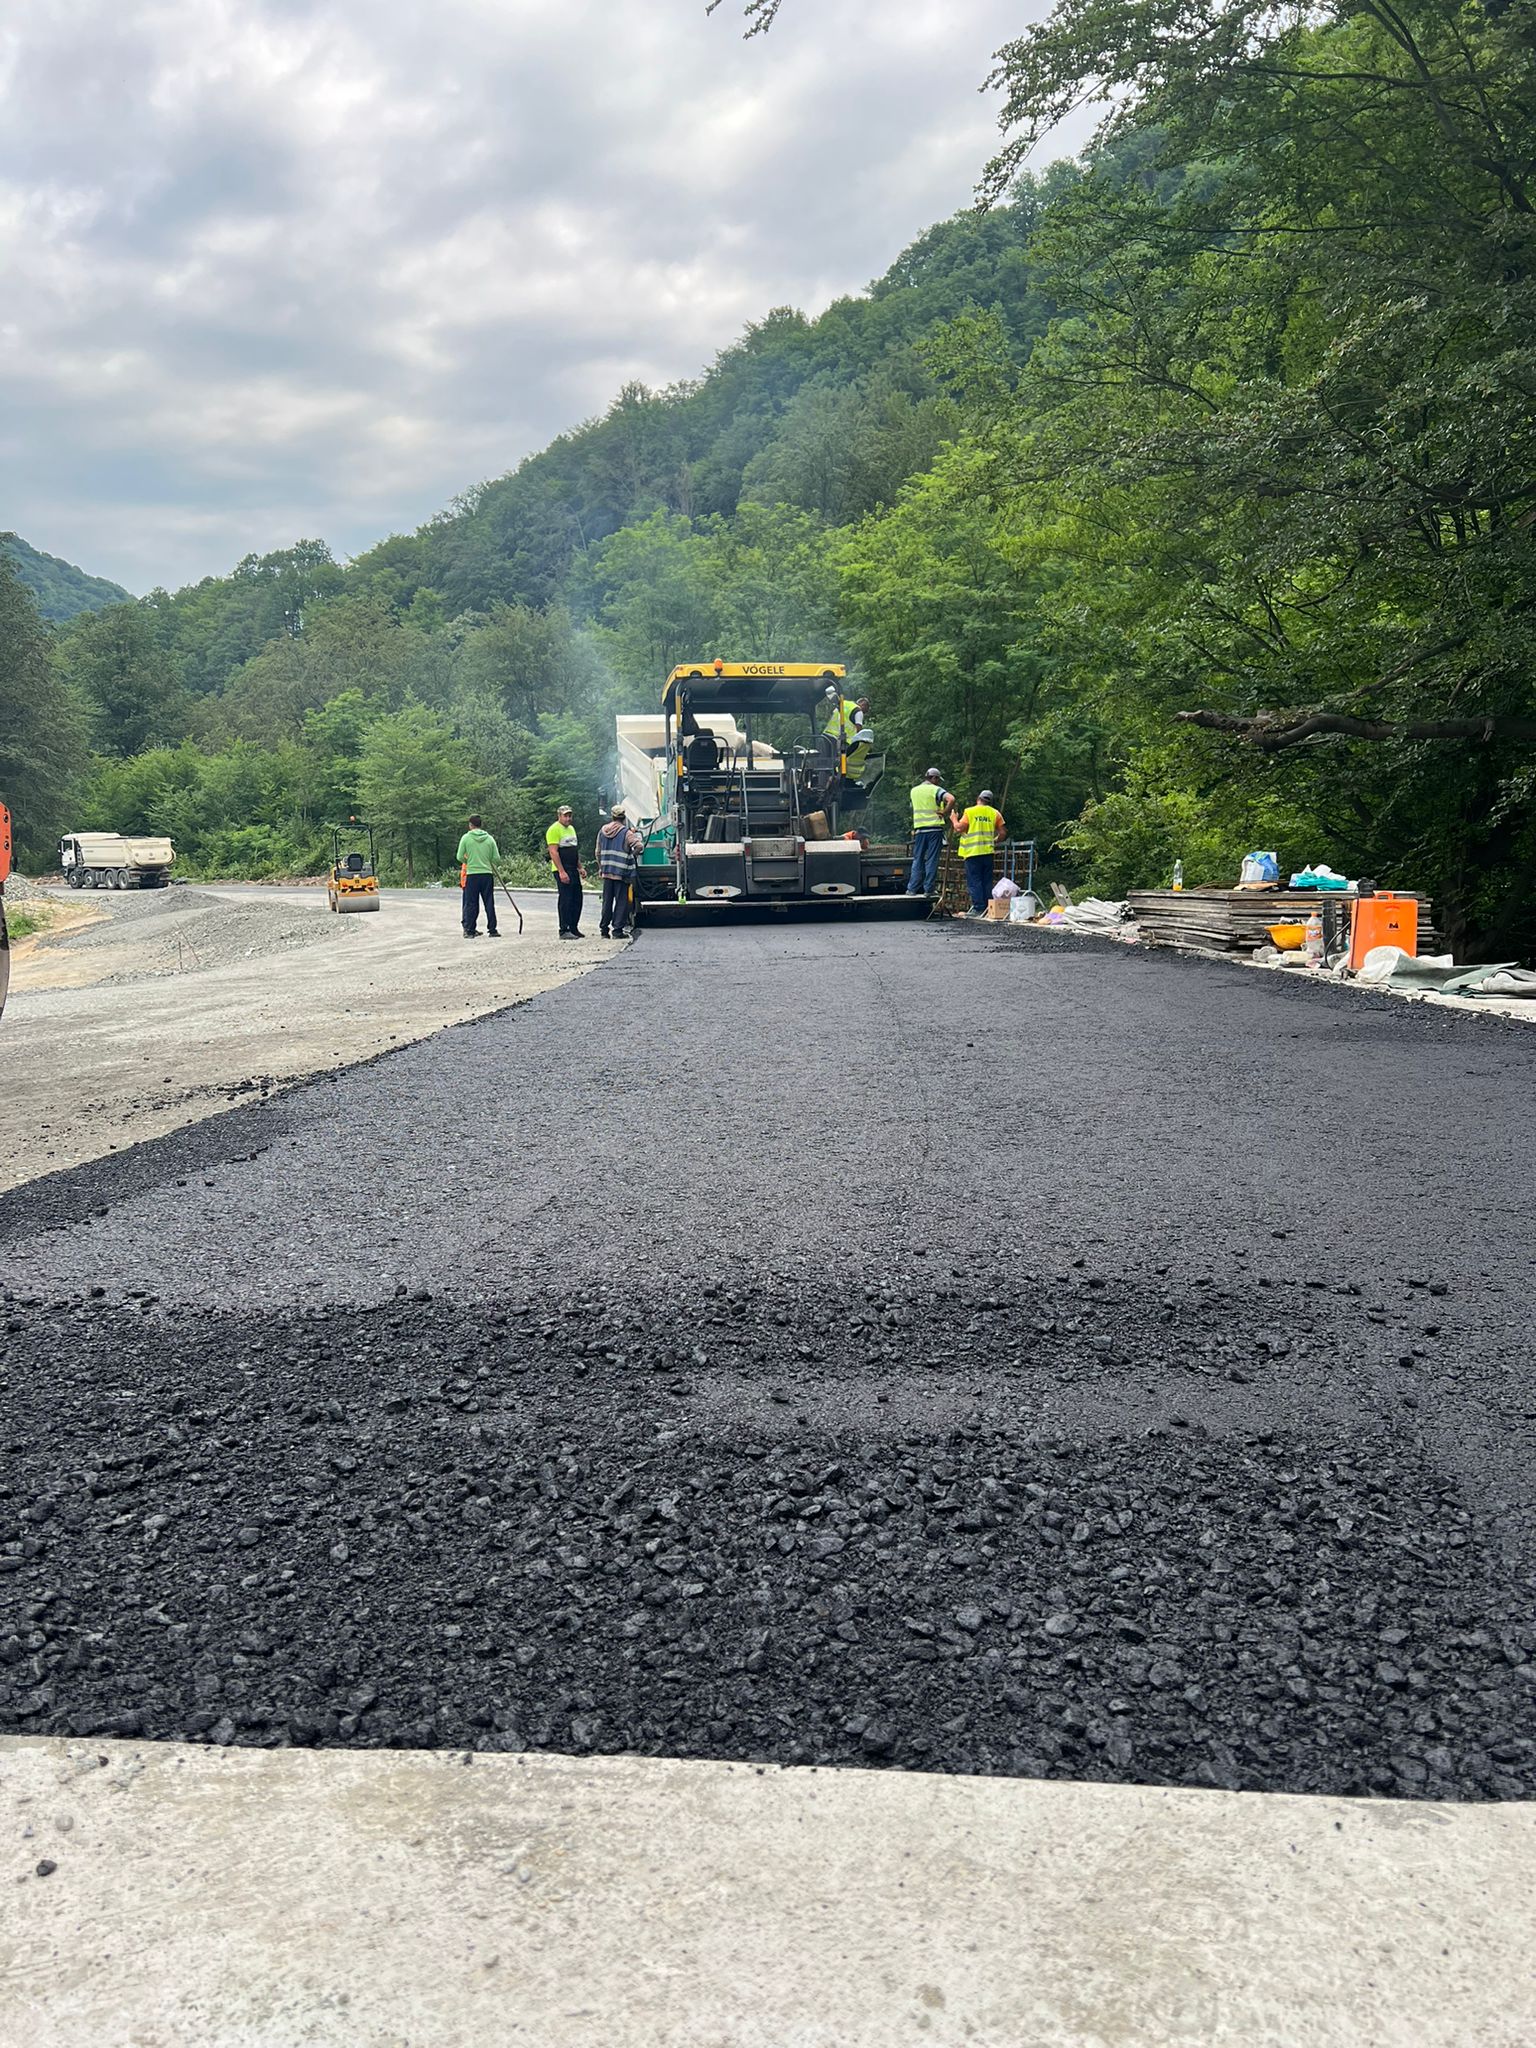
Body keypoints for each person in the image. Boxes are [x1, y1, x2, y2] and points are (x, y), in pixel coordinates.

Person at [951, 788, 1006, 918]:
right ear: (990, 801)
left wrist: (954, 819)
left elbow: (959, 828)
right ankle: (988, 908)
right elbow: (1003, 832)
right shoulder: (995, 813)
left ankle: (978, 909)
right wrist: (995, 841)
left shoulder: (970, 811)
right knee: (986, 881)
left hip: (973, 852)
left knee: (974, 881)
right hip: (987, 852)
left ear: (978, 799)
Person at [596, 806, 643, 939]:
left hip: (607, 872)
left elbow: (597, 852)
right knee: (621, 901)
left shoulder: (603, 831)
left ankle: (604, 930)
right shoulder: (626, 832)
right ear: (624, 817)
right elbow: (639, 846)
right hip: (621, 872)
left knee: (607, 901)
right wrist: (631, 855)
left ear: (612, 816)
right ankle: (617, 931)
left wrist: (601, 867)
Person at [906, 767, 951, 896]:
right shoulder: (935, 790)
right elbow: (951, 799)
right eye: (938, 780)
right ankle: (928, 889)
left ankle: (912, 889)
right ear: (934, 778)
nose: (938, 782)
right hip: (934, 830)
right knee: (931, 859)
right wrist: (945, 811)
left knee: (918, 859)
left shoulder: (914, 791)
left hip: (920, 830)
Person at [455, 814, 501, 939]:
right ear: (481, 825)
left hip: (472, 874)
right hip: (486, 874)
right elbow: (497, 859)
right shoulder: (489, 839)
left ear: (470, 825)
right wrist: (487, 859)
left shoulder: (466, 838)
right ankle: (492, 929)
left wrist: (468, 859)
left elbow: (459, 857)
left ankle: (470, 930)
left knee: (471, 903)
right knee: (489, 902)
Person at [545, 803, 585, 939]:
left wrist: (580, 867)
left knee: (577, 898)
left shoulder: (572, 829)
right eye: (565, 816)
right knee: (566, 899)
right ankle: (564, 929)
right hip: (562, 868)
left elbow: (574, 850)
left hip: (573, 867)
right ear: (559, 816)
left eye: (570, 815)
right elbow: (553, 852)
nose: (568, 818)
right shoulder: (554, 830)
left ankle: (574, 927)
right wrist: (561, 871)